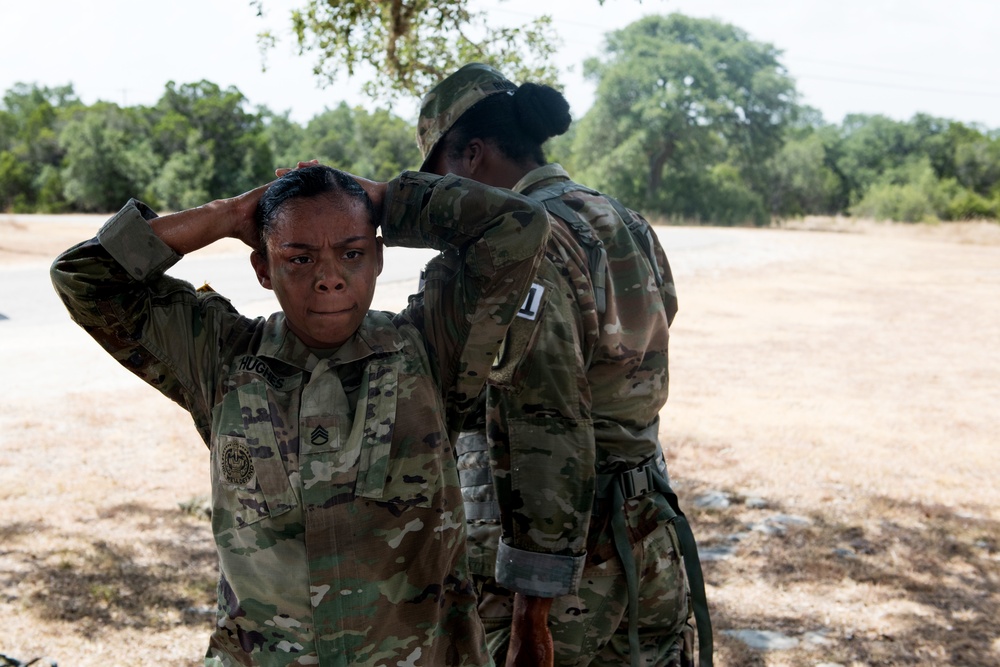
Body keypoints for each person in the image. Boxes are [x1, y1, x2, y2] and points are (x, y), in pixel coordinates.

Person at [50, 164, 550, 666]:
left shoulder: (431, 348)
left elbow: (518, 225)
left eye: (352, 253)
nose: (329, 278)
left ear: (378, 258)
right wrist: (230, 213)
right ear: (263, 270)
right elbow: (84, 276)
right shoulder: (220, 357)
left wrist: (385, 200)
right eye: (299, 257)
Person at [416, 64, 713, 667]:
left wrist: (532, 609)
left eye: (439, 174)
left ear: (470, 156)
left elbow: (546, 426)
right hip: (647, 528)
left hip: (570, 566)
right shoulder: (621, 218)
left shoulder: (526, 242)